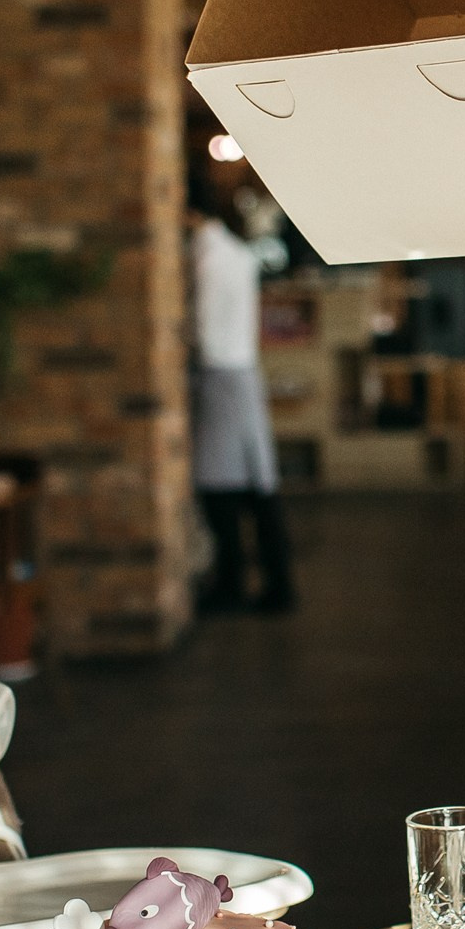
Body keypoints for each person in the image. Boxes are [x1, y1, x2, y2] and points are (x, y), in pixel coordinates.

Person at [187, 166, 296, 614]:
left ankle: (237, 585)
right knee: (255, 486)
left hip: (220, 375)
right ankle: (275, 584)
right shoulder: (233, 251)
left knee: (222, 489)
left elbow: (206, 333)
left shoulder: (206, 256)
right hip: (241, 373)